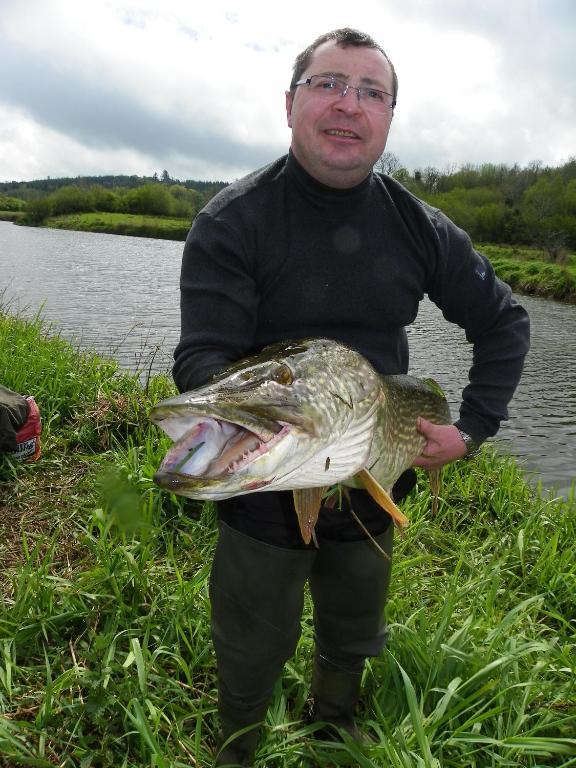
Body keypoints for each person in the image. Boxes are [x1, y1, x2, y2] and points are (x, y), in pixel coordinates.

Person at [172, 28, 530, 766]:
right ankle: (239, 746)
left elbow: (504, 322)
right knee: (251, 635)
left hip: (376, 461)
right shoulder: (232, 221)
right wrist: (248, 431)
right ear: (290, 103)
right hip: (268, 468)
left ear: (389, 118)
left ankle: (333, 726)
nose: (348, 104)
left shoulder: (418, 226)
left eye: (371, 92)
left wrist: (473, 428)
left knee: (354, 620)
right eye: (328, 83)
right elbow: (202, 357)